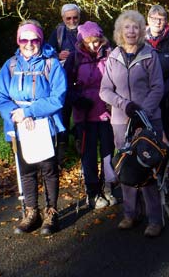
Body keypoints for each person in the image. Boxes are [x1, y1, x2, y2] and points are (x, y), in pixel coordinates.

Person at [0, 20, 67, 235]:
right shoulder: (11, 65)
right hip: (19, 126)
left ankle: (51, 214)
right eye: (24, 39)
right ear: (18, 40)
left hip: (46, 125)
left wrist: (29, 111)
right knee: (26, 171)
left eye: (34, 39)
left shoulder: (51, 64)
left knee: (49, 170)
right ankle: (32, 213)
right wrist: (16, 115)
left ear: (40, 40)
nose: (29, 43)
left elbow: (58, 97)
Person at [99, 10, 167, 237]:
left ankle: (154, 218)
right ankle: (130, 214)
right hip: (121, 121)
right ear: (120, 31)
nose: (131, 31)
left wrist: (142, 112)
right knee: (126, 167)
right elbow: (105, 90)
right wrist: (124, 104)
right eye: (127, 27)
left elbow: (158, 87)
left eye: (135, 27)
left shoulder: (150, 55)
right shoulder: (113, 56)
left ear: (141, 31)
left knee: (147, 167)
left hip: (148, 120)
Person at [64, 21, 117, 209]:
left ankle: (108, 186)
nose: (94, 46)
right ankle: (92, 192)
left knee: (108, 152)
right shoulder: (75, 58)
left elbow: (117, 80)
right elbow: (66, 85)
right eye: (89, 42)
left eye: (96, 41)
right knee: (88, 154)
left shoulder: (110, 54)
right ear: (82, 41)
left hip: (106, 112)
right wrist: (76, 99)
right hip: (84, 113)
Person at [145, 5, 169, 146]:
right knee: (146, 133)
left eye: (161, 19)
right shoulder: (139, 40)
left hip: (168, 95)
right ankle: (147, 165)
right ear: (148, 20)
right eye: (154, 19)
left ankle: (166, 165)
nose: (158, 22)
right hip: (146, 96)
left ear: (166, 21)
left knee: (167, 132)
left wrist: (161, 90)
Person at [47, 3, 82, 165]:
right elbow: (47, 51)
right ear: (63, 18)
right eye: (69, 18)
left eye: (75, 17)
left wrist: (75, 54)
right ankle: (62, 148)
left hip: (82, 78)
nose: (72, 20)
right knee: (64, 112)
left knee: (81, 113)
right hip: (63, 79)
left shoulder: (85, 31)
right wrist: (57, 54)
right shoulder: (58, 32)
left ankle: (80, 143)